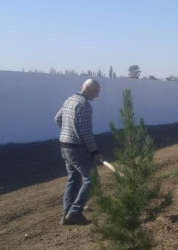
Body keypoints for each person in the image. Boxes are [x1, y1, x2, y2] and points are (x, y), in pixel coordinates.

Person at [55, 78, 103, 225]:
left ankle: (66, 215)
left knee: (73, 180)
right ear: (86, 89)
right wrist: (94, 152)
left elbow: (57, 119)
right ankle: (75, 212)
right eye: (96, 91)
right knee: (92, 180)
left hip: (64, 147)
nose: (97, 95)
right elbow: (86, 133)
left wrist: (67, 133)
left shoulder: (70, 99)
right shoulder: (84, 105)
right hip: (77, 149)